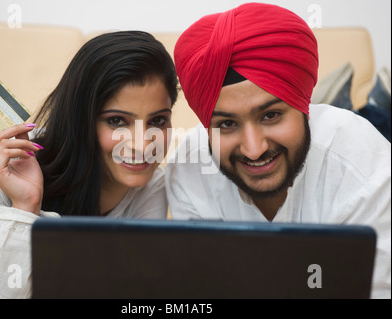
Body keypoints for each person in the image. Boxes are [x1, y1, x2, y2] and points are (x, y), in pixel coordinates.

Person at [166, 3, 391, 298]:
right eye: (227, 124)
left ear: (304, 108)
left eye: (270, 115)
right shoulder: (188, 169)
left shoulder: (363, 168)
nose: (254, 149)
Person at [0, 30, 178, 298]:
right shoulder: (1, 167)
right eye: (117, 121)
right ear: (81, 120)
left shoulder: (152, 184)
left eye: (158, 121)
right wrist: (25, 208)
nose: (142, 146)